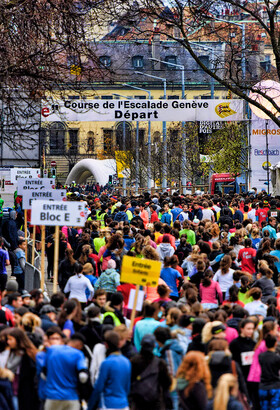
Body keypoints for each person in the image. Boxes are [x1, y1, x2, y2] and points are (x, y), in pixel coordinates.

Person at [43, 333, 88, 410]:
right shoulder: (78, 354)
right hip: (71, 397)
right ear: (79, 344)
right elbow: (83, 377)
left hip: (52, 397)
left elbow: (43, 374)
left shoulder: (52, 350)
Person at [88, 331, 131, 410]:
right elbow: (127, 387)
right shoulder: (127, 362)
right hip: (124, 404)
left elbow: (99, 387)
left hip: (108, 404)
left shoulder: (106, 363)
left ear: (106, 345)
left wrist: (90, 406)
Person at [130, 334, 172, 410]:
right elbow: (166, 383)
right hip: (154, 401)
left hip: (138, 400)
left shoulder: (133, 361)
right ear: (154, 345)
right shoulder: (160, 363)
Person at [6, 328, 39, 410]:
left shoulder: (26, 355)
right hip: (16, 389)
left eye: (10, 339)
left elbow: (10, 366)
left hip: (26, 391)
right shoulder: (13, 352)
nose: (8, 342)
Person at [259, 334, 280, 410]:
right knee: (275, 407)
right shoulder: (277, 357)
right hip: (275, 385)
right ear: (275, 343)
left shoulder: (260, 356)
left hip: (263, 385)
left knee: (264, 407)